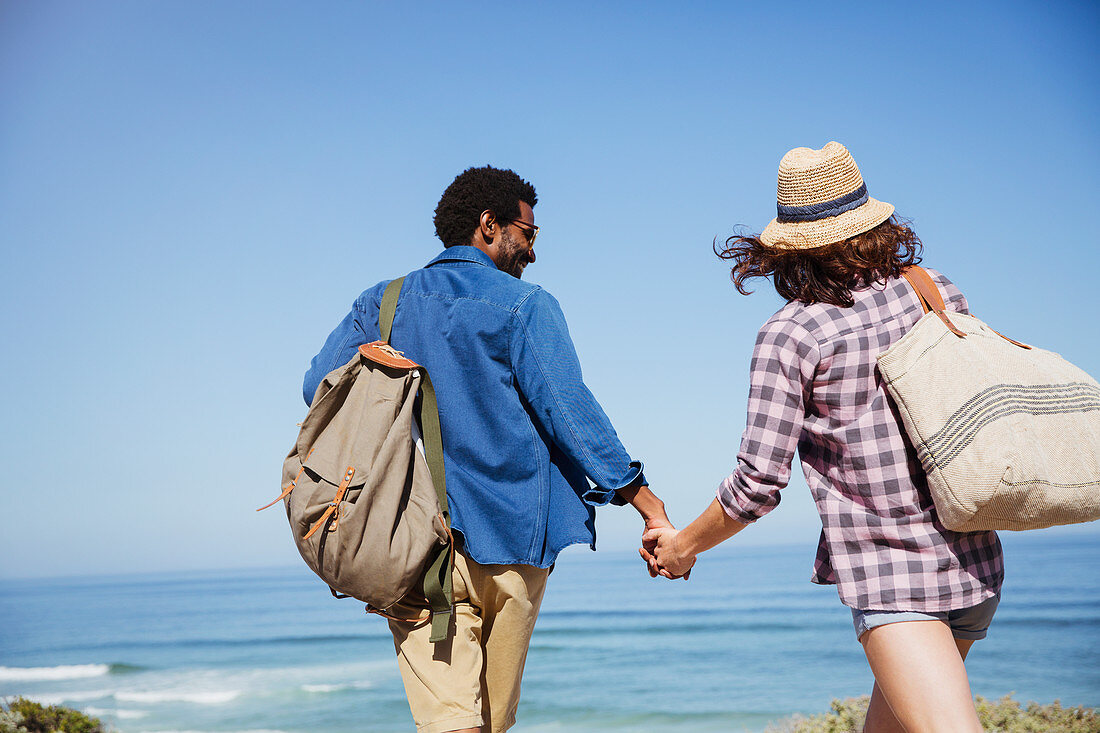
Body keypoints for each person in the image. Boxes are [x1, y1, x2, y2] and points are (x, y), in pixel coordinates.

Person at [642, 142, 1003, 733]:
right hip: (976, 563)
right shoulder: (933, 289)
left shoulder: (792, 333)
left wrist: (682, 546)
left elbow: (758, 484)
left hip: (896, 582)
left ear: (789, 246)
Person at [303, 165, 674, 733]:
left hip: (411, 542)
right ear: (489, 225)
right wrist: (648, 507)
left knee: (452, 723)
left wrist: (372, 361)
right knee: (491, 723)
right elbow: (571, 414)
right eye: (529, 233)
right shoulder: (525, 305)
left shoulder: (382, 304)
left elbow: (317, 388)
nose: (531, 249)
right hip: (510, 538)